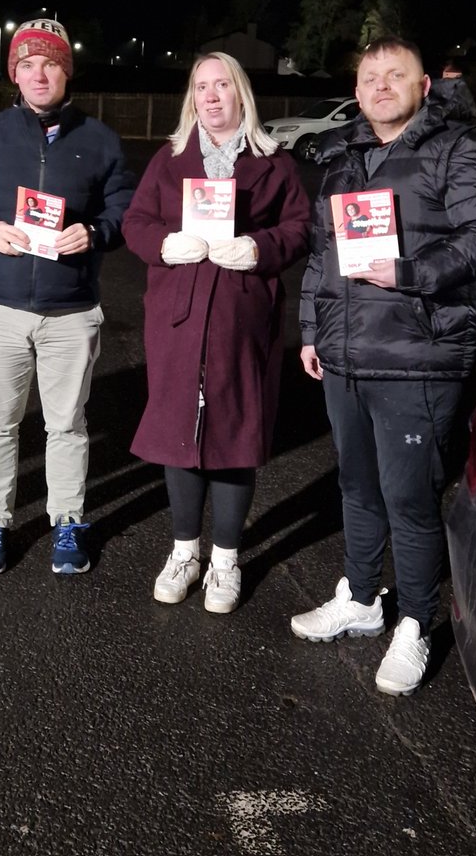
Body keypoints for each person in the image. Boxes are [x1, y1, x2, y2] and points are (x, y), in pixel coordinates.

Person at [293, 35, 476, 696]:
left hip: (418, 356)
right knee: (356, 486)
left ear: (424, 86)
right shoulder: (345, 158)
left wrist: (410, 273)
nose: (379, 86)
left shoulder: (460, 148)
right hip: (346, 355)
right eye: (369, 76)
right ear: (356, 91)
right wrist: (312, 329)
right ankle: (359, 595)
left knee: (409, 497)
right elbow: (323, 255)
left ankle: (415, 620)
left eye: (395, 75)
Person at [0, 17, 135, 575]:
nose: (39, 73)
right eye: (27, 64)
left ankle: (68, 520)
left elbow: (124, 206)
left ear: (66, 71)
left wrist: (96, 232)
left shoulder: (99, 140)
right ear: (14, 75)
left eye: (50, 62)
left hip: (71, 310)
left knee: (67, 424)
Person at [122, 52, 310, 614]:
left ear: (241, 94)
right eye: (201, 86)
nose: (210, 95)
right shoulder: (170, 159)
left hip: (240, 313)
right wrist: (161, 245)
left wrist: (262, 247)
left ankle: (225, 560)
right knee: (177, 428)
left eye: (221, 85)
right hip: (177, 315)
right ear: (191, 98)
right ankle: (184, 552)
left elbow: (300, 228)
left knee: (235, 433)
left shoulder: (273, 164)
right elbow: (136, 221)